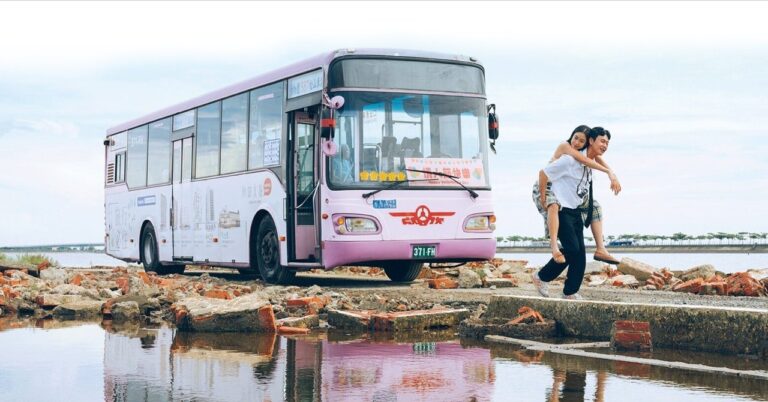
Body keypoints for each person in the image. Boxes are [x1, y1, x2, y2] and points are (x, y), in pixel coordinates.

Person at [532, 127, 614, 299]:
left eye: (607, 142)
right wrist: (544, 198)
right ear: (591, 141)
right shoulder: (569, 160)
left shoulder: (590, 165)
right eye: (602, 141)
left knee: (580, 255)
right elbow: (543, 173)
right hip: (560, 208)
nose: (605, 145)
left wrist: (611, 174)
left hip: (575, 208)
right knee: (571, 248)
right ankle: (541, 277)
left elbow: (594, 165)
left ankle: (570, 292)